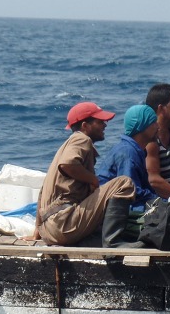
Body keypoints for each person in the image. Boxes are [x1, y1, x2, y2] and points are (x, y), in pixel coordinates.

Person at [31, 102, 136, 247]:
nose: (105, 125)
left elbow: (43, 192)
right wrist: (93, 180)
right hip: (63, 226)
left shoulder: (65, 147)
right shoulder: (81, 139)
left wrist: (37, 232)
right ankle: (113, 242)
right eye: (100, 122)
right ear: (85, 126)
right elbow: (68, 164)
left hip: (49, 229)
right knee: (124, 183)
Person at [97, 104, 160, 209]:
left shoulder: (135, 149)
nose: (158, 126)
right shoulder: (128, 153)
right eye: (153, 122)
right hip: (108, 209)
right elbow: (130, 191)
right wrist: (161, 201)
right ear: (142, 126)